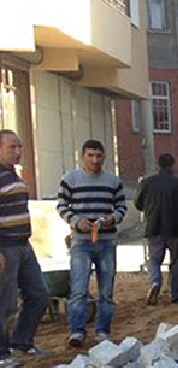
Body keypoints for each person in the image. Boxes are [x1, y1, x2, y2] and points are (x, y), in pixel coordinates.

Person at [58, 139, 125, 348]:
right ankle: (77, 331)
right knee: (78, 289)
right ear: (82, 157)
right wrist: (77, 222)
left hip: (107, 242)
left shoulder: (113, 181)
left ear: (104, 157)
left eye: (98, 156)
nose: (95, 160)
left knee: (107, 290)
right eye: (90, 155)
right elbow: (61, 206)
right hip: (81, 242)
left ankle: (102, 330)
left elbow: (122, 207)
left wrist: (112, 219)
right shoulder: (70, 179)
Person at [0, 130, 49, 367]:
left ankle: (22, 343)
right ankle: (1, 353)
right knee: (5, 302)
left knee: (39, 294)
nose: (18, 152)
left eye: (19, 147)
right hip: (5, 247)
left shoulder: (13, 175)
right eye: (12, 147)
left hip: (23, 246)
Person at [136, 153, 178, 306]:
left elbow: (138, 204)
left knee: (155, 260)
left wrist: (149, 209)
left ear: (158, 165)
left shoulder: (147, 182)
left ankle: (155, 283)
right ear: (172, 165)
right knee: (176, 263)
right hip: (176, 229)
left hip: (154, 227)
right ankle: (176, 295)